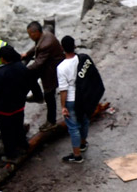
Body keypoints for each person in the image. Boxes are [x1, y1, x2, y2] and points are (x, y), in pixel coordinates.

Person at [56, 35, 105, 163]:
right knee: (84, 120)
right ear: (74, 46)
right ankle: (83, 144)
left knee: (73, 127)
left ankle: (77, 155)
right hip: (83, 97)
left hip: (71, 100)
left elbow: (63, 89)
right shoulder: (83, 59)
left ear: (62, 48)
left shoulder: (61, 67)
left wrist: (63, 107)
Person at [0, 45, 31, 160]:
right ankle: (24, 145)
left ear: (2, 59)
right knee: (18, 126)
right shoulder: (22, 68)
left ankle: (11, 155)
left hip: (4, 110)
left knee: (7, 134)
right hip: (19, 105)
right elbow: (28, 84)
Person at [22, 21, 65, 127]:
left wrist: (22, 70)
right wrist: (27, 54)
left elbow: (38, 63)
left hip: (51, 71)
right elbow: (36, 47)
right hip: (47, 65)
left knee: (49, 95)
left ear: (36, 32)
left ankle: (51, 121)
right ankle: (37, 96)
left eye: (30, 34)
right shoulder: (44, 35)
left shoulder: (46, 44)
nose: (29, 36)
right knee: (30, 76)